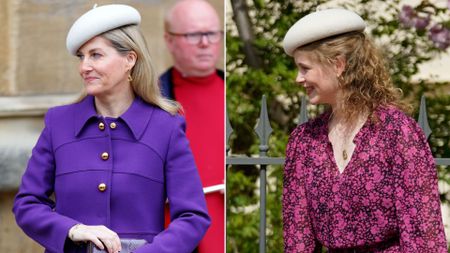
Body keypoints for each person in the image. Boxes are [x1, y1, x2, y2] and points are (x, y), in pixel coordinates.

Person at [13, 4, 210, 253]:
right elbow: (27, 204)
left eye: (96, 55)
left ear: (129, 59)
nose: (84, 66)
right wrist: (73, 230)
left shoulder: (166, 128)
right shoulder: (58, 123)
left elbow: (193, 217)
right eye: (81, 56)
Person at [282, 8, 448, 253]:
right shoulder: (304, 142)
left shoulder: (397, 133)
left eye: (305, 68)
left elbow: (423, 236)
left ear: (338, 65)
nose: (298, 78)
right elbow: (298, 241)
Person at [160, 1, 224, 252]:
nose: (205, 43)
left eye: (212, 33)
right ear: (170, 40)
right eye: (193, 34)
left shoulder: (235, 89)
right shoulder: (150, 99)